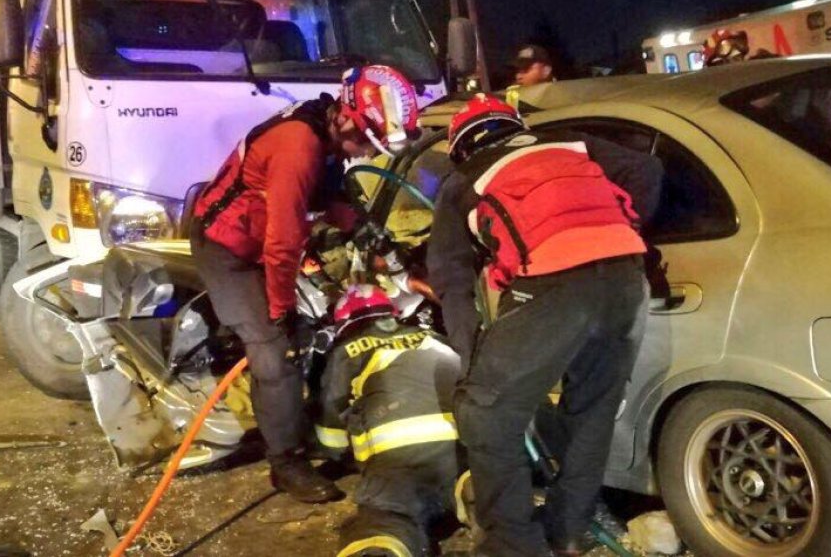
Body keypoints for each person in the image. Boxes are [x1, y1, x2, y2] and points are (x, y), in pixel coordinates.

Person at [428, 94, 663, 556]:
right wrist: (621, 225)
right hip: (626, 279)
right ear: (514, 125)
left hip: (554, 284)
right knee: (591, 415)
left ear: (461, 147)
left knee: (488, 417)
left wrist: (473, 357)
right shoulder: (571, 143)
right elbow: (648, 171)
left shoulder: (462, 182)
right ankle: (566, 533)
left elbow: (452, 281)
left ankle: (513, 545)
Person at [190, 65, 421, 503]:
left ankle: (309, 425)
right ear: (346, 118)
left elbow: (338, 201)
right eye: (363, 143)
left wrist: (376, 242)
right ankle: (286, 463)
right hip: (228, 249)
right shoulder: (297, 146)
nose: (365, 154)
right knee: (276, 351)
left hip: (262, 241)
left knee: (322, 324)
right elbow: (282, 244)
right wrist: (280, 310)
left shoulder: (327, 129)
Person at [313, 285, 462, 557]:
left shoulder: (346, 352)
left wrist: (337, 455)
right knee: (492, 491)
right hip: (468, 448)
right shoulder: (434, 336)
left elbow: (331, 426)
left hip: (399, 465)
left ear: (344, 324)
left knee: (384, 521)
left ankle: (382, 545)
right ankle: (481, 496)